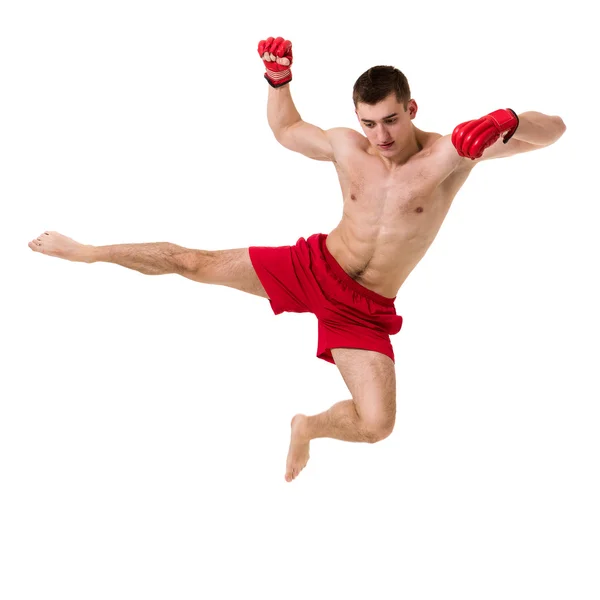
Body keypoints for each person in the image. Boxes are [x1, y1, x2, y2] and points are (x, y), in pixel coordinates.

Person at [28, 36, 566, 482]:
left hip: (365, 307)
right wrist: (278, 84)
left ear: (412, 109)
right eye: (369, 123)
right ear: (357, 119)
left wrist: (509, 119)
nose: (381, 135)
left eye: (391, 121)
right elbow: (287, 129)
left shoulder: (453, 153)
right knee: (191, 262)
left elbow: (554, 131)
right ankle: (87, 251)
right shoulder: (347, 146)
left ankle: (306, 426)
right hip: (314, 267)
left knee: (378, 425)